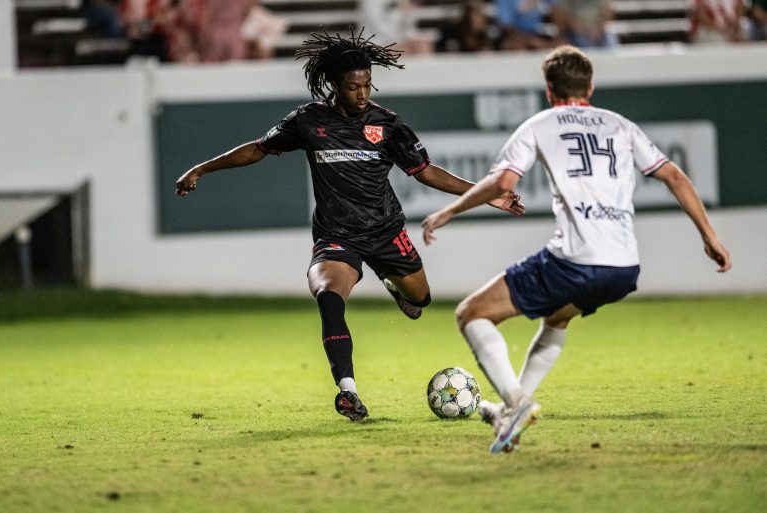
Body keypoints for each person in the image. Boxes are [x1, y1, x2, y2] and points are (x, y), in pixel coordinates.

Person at [175, 29, 523, 422]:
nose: (362, 93)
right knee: (327, 296)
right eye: (353, 86)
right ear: (333, 86)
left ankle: (393, 282)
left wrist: (486, 193)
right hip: (336, 237)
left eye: (367, 85)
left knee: (421, 299)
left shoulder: (387, 124)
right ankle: (348, 391)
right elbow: (258, 148)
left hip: (386, 231)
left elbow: (425, 173)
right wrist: (201, 169)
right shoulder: (308, 121)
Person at [421, 45, 731, 453]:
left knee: (472, 314)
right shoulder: (620, 125)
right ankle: (515, 413)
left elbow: (501, 184)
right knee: (558, 317)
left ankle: (515, 403)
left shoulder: (540, 124)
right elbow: (672, 175)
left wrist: (448, 212)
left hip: (575, 260)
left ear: (549, 89)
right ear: (591, 86)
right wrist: (708, 235)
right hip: (623, 268)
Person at [552, 0, 618, 48]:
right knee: (581, 41)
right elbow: (561, 15)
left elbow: (608, 11)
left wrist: (597, 29)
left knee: (610, 41)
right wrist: (582, 29)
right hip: (575, 31)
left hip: (598, 30)